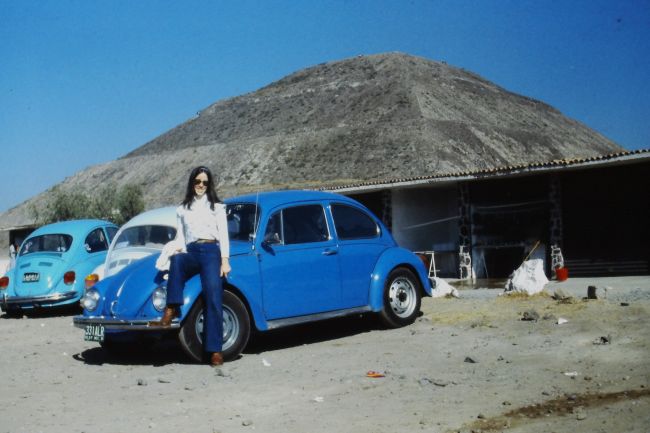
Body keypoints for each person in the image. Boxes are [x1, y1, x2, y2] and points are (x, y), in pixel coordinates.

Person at [150, 166, 231, 367]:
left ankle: (215, 351)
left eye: (205, 182)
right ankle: (171, 309)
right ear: (192, 183)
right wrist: (175, 249)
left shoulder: (217, 207)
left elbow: (224, 235)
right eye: (197, 182)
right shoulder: (183, 209)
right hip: (193, 251)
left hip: (211, 251)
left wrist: (225, 260)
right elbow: (181, 237)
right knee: (177, 260)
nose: (201, 186)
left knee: (213, 295)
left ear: (209, 184)